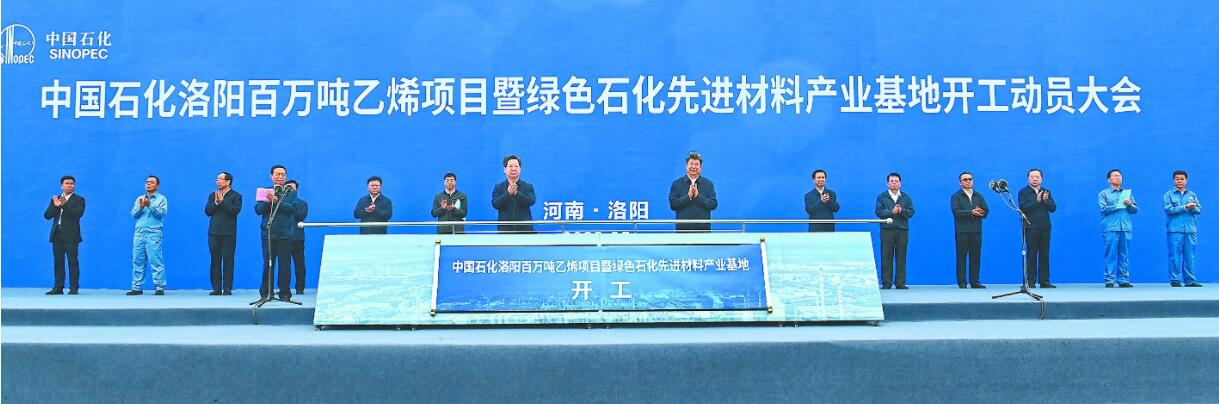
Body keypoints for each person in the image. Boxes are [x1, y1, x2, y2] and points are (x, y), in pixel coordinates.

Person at [255, 165, 301, 300]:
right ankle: (266, 292)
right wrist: (269, 201)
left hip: (284, 234)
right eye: (277, 174)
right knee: (268, 264)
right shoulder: (265, 191)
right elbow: (258, 210)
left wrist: (277, 202)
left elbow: (293, 209)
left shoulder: (291, 192)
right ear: (271, 176)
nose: (280, 177)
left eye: (283, 174)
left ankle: (284, 292)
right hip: (268, 234)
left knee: (284, 265)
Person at [44, 175, 85, 295]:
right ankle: (58, 287)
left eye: (72, 183)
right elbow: (47, 215)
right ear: (61, 186)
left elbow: (78, 214)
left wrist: (64, 204)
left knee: (72, 261)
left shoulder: (79, 199)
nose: (70, 185)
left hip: (71, 235)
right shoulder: (55, 199)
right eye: (67, 183)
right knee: (58, 262)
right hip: (57, 234)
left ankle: (73, 287)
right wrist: (57, 206)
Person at [128, 175, 168, 295]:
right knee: (137, 260)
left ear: (157, 186)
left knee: (155, 260)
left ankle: (159, 287)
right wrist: (141, 207)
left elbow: (161, 214)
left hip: (153, 234)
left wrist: (150, 205)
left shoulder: (162, 199)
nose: (148, 184)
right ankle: (137, 287)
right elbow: (133, 215)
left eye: (151, 182)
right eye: (147, 182)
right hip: (139, 234)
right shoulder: (139, 198)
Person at [1018, 168, 1057, 288]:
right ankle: (1031, 281)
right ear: (1028, 179)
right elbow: (1023, 208)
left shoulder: (1046, 191)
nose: (1035, 179)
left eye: (1037, 177)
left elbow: (1053, 208)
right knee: (1032, 254)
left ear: (1041, 179)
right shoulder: (1023, 192)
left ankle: (1044, 281)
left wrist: (1045, 201)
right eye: (1032, 177)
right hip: (1031, 227)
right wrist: (1037, 200)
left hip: (1045, 227)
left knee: (1045, 254)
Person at [875, 172, 914, 289]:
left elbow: (911, 212)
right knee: (886, 256)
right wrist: (891, 212)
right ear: (888, 184)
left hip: (902, 230)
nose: (894, 183)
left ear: (900, 183)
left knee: (901, 257)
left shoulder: (906, 197)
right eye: (891, 181)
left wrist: (901, 210)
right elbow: (878, 212)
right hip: (887, 230)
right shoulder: (882, 196)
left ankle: (900, 283)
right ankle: (886, 283)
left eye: (896, 181)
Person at [1099, 169, 1138, 288]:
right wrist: (1118, 204)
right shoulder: (1104, 193)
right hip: (1111, 228)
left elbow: (1135, 210)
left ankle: (1123, 279)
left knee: (1124, 254)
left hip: (1125, 227)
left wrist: (1130, 204)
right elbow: (1103, 209)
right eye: (1115, 176)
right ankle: (1109, 280)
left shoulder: (1127, 193)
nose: (1118, 177)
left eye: (1119, 176)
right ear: (1109, 179)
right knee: (1110, 254)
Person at [204, 172, 241, 295]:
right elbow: (207, 211)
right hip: (214, 232)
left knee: (228, 259)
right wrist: (216, 203)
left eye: (220, 179)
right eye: (217, 179)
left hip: (229, 233)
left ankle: (227, 288)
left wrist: (223, 202)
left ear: (228, 181)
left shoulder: (236, 196)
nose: (218, 181)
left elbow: (235, 211)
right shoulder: (212, 195)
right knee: (215, 259)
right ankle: (216, 288)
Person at [1164, 170, 1203, 287]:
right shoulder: (1168, 195)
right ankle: (1175, 279)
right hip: (1175, 230)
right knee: (1174, 256)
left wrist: (1193, 207)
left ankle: (1190, 280)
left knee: (1189, 256)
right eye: (1177, 179)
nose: (1179, 181)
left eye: (1182, 179)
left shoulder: (1192, 195)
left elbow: (1199, 210)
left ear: (1186, 180)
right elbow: (1169, 210)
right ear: (1173, 180)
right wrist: (1185, 207)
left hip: (1190, 230)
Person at [950, 171, 988, 288]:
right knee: (961, 257)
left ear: (973, 181)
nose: (968, 181)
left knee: (976, 257)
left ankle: (975, 281)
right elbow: (956, 212)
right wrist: (971, 212)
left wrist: (982, 212)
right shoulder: (956, 196)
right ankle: (962, 282)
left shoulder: (979, 196)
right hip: (962, 231)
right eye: (965, 180)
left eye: (970, 179)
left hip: (976, 231)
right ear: (960, 182)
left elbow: (986, 211)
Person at [668, 151, 718, 232]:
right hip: (683, 231)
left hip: (703, 231)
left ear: (701, 167)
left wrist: (698, 196)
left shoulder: (708, 184)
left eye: (696, 164)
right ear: (686, 166)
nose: (693, 167)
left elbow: (713, 205)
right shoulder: (677, 184)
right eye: (691, 164)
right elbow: (673, 205)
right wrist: (688, 197)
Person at [492, 155, 536, 234]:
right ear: (505, 169)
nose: (513, 169)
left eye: (516, 166)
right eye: (510, 166)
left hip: (525, 231)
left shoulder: (528, 186)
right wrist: (508, 194)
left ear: (520, 169)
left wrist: (516, 193)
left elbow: (531, 201)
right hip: (505, 231)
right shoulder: (499, 187)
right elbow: (495, 204)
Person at [287, 180, 308, 295]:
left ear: (297, 190)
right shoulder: (280, 203)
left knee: (299, 264)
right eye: (288, 188)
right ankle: (284, 288)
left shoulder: (302, 203)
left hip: (297, 238)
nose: (290, 190)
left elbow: (301, 216)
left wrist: (291, 205)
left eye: (292, 188)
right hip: (284, 237)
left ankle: (300, 288)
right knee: (284, 265)